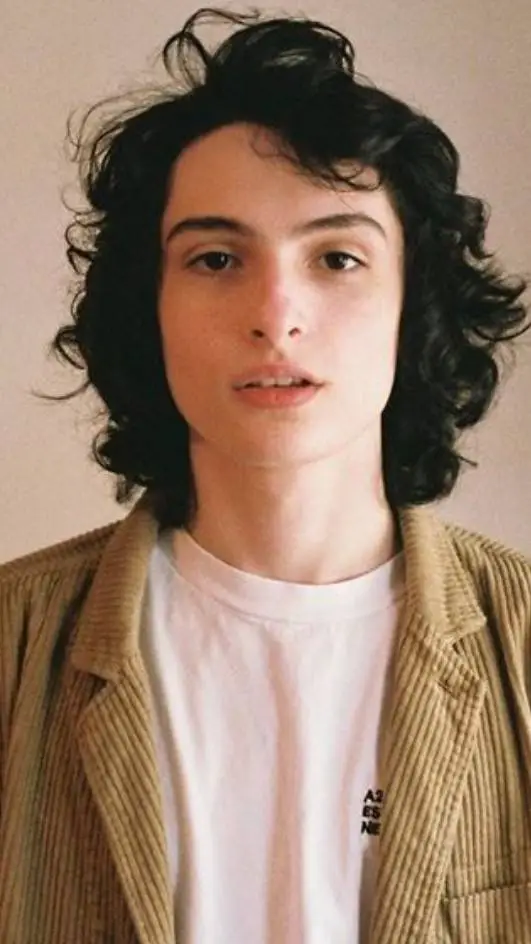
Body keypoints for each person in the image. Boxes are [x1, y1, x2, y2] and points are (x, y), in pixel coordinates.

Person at [1, 6, 530, 943]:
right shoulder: (14, 643)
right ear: (148, 307)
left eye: (337, 257)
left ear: (412, 308)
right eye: (215, 258)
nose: (275, 313)